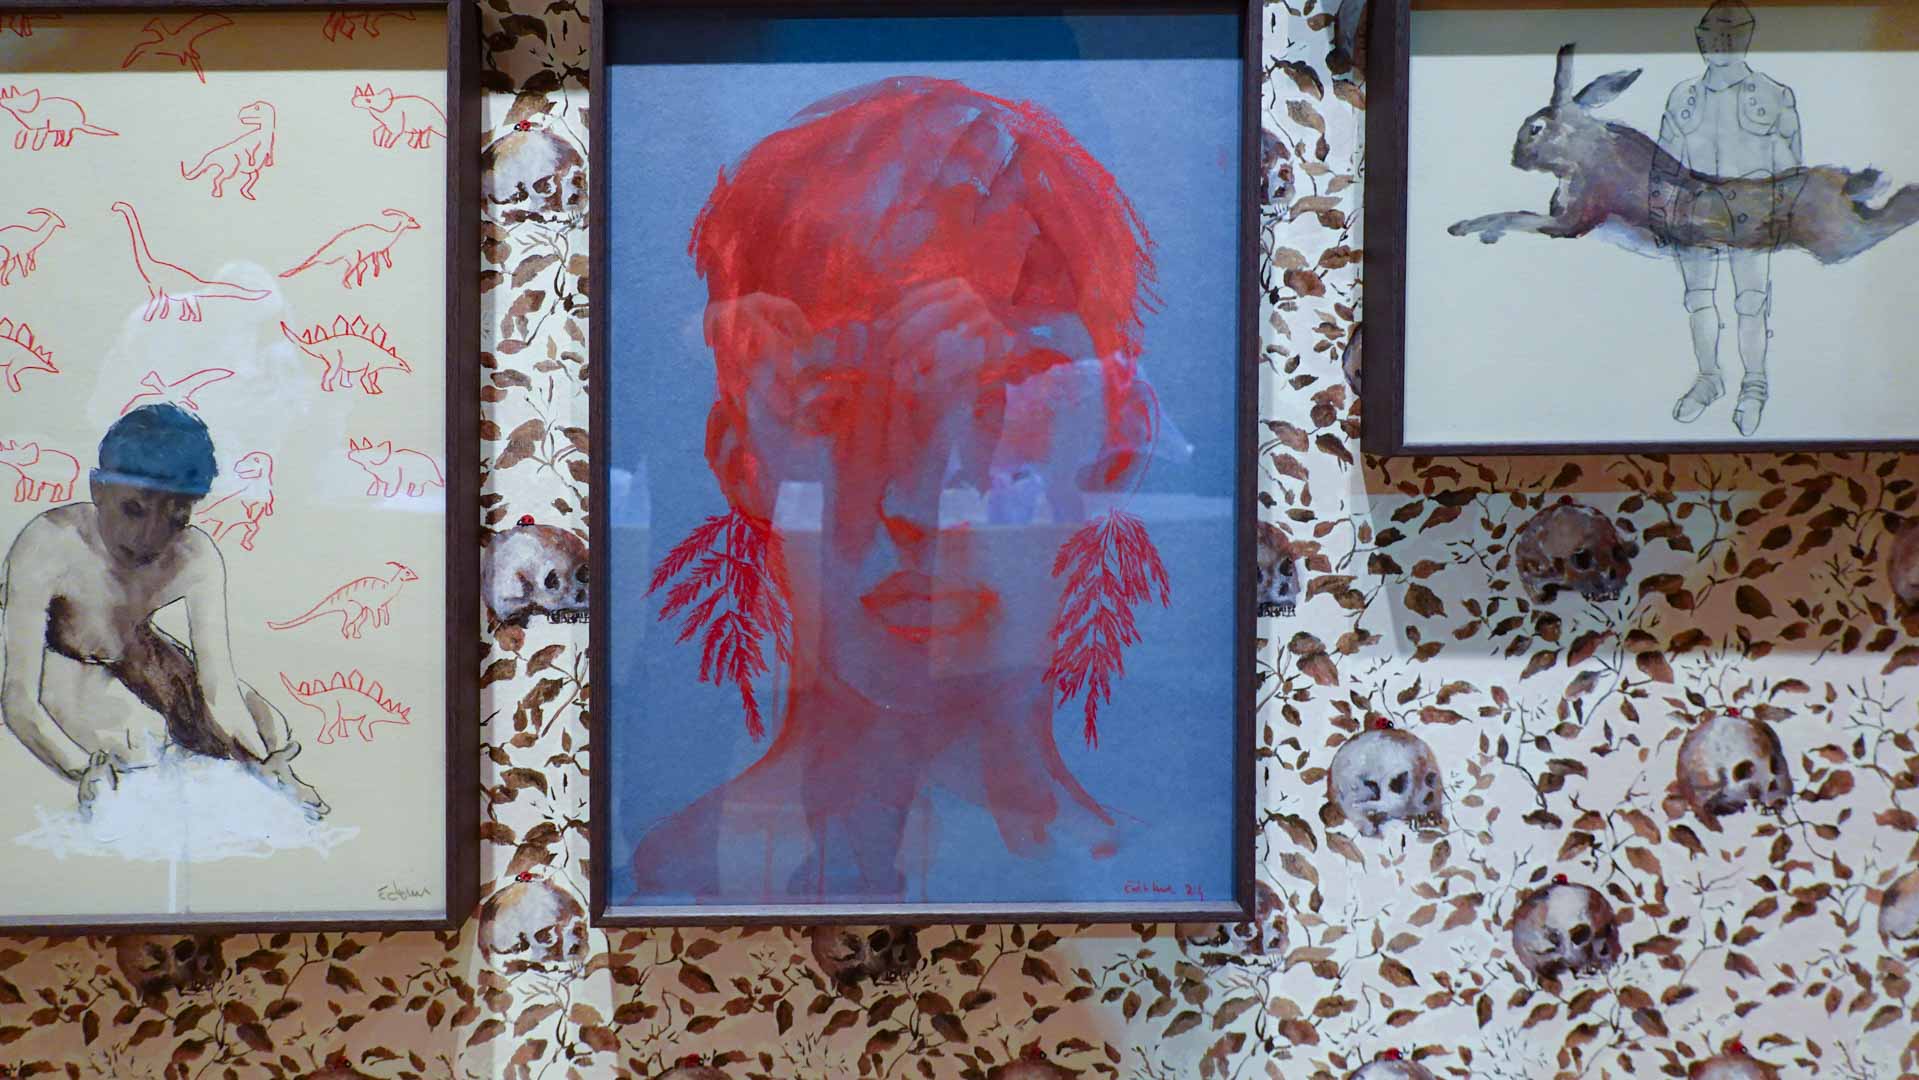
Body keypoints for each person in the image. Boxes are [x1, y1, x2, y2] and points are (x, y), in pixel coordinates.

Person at [630, 77, 1173, 902]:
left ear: (1118, 443)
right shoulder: (672, 881)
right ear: (743, 461)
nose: (920, 506)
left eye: (1002, 401)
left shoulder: (1156, 881)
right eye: (840, 406)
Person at [0, 404, 326, 820]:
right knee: (126, 751)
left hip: (132, 647)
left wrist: (265, 762)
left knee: (267, 724)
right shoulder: (49, 543)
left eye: (176, 518)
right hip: (64, 652)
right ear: (98, 488)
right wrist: (81, 769)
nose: (149, 537)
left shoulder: (195, 556)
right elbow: (19, 698)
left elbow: (220, 687)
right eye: (133, 509)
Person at [1652, 0, 1803, 435]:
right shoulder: (1682, 97)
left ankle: (1754, 385)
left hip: (1751, 213)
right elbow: (1664, 166)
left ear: (1746, 37)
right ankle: (1709, 378)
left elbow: (1792, 166)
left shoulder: (1774, 95)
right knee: (1698, 298)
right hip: (1695, 212)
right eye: (1711, 36)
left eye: (1730, 36)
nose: (1719, 45)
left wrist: (1783, 213)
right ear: (1699, 40)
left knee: (1751, 302)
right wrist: (1660, 214)